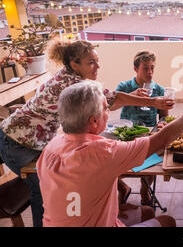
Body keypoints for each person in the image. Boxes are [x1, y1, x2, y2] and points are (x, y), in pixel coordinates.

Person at [0, 39, 173, 227]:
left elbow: (111, 99)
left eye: (96, 60)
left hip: (35, 140)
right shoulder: (69, 83)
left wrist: (136, 99)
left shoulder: (73, 77)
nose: (97, 66)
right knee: (41, 189)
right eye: (91, 62)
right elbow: (111, 99)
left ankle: (106, 203)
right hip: (16, 142)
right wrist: (153, 102)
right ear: (74, 64)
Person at [36, 80, 183, 226]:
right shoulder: (102, 153)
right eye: (106, 108)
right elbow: (159, 141)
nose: (108, 112)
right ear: (93, 120)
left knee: (146, 211)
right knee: (167, 221)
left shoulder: (50, 148)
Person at [115, 51, 167, 206]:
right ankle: (123, 187)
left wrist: (162, 123)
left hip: (147, 137)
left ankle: (145, 190)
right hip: (126, 136)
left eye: (152, 68)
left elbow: (164, 117)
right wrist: (132, 95)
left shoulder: (158, 89)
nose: (150, 72)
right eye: (145, 68)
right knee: (106, 166)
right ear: (135, 69)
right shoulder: (124, 87)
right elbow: (111, 106)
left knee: (152, 165)